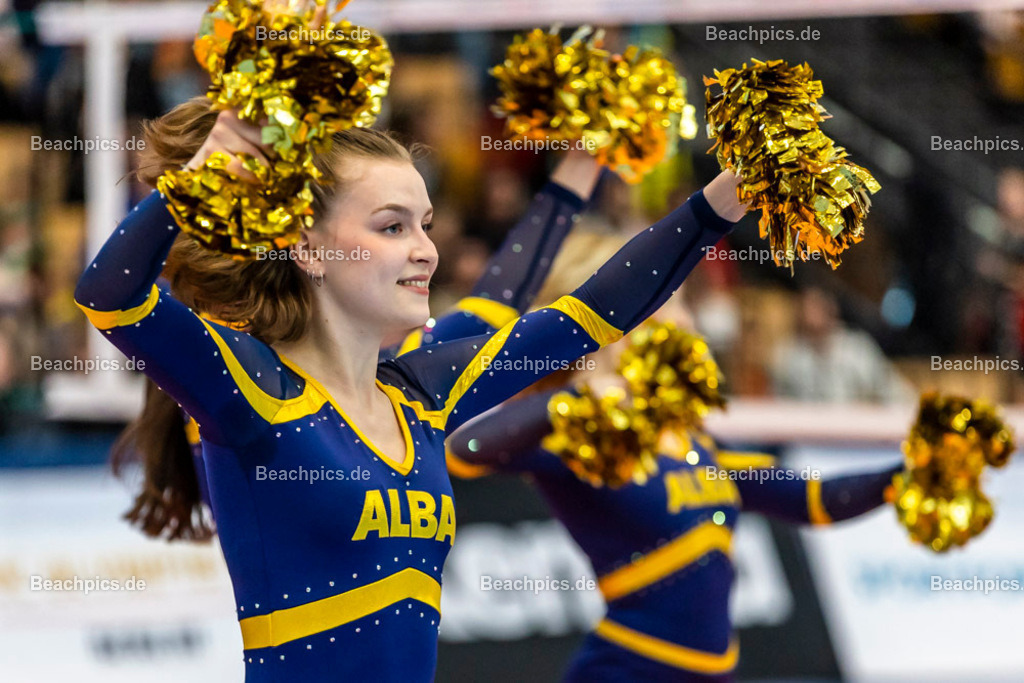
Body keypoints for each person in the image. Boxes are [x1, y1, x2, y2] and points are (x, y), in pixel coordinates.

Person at [74, 95, 748, 679]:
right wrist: (207, 168)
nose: (426, 248)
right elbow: (110, 296)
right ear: (309, 249)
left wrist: (722, 199)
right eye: (393, 226)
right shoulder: (253, 392)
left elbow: (587, 313)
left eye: (425, 224)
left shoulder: (422, 391)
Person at [444, 236, 903, 682]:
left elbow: (813, 499)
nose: (687, 321)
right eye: (669, 304)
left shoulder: (688, 437)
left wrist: (916, 469)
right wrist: (575, 398)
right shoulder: (577, 431)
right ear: (614, 320)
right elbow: (465, 451)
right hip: (626, 670)